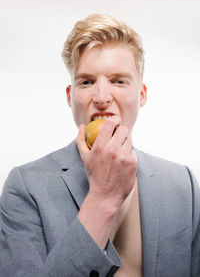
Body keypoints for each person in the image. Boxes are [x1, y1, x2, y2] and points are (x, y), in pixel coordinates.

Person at [0, 14, 200, 277]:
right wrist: (102, 200)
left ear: (141, 95)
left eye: (118, 81)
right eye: (87, 81)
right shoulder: (25, 187)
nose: (102, 98)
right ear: (71, 97)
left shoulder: (182, 183)